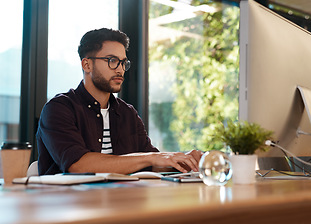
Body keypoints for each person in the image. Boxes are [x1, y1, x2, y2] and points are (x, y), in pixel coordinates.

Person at [36, 28, 202, 175]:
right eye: (112, 61)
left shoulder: (127, 113)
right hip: (69, 206)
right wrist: (151, 158)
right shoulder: (59, 109)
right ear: (87, 65)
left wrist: (185, 160)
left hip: (122, 203)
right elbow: (78, 165)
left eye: (123, 62)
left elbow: (152, 164)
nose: (120, 69)